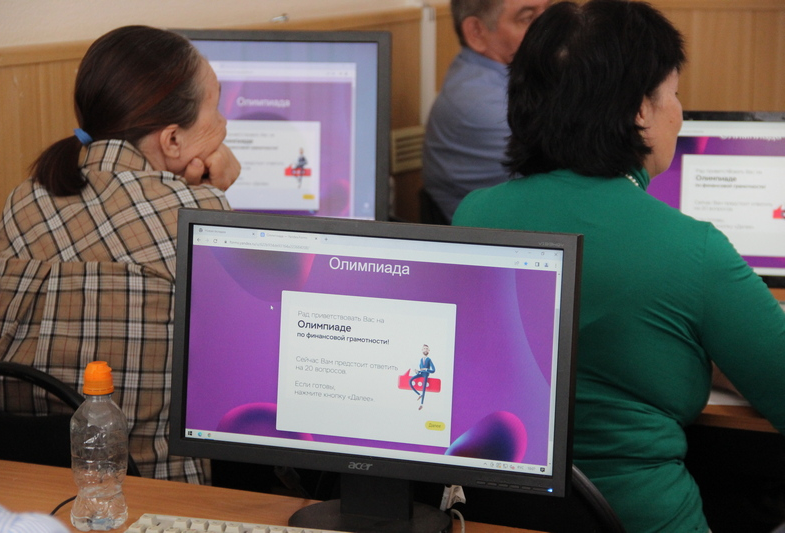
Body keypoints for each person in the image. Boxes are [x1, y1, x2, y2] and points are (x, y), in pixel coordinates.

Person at [452, 1, 785, 531]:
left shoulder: (474, 216)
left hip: (496, 520)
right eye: (673, 94)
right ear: (639, 110)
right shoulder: (691, 248)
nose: (678, 112)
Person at [0, 26, 239, 484]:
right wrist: (215, 198)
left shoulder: (23, 199)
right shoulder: (197, 215)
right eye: (217, 106)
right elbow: (236, 365)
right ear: (172, 140)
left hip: (24, 487)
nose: (224, 123)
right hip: (159, 495)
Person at [421, 0, 550, 223]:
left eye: (549, 11)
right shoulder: (481, 105)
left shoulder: (517, 77)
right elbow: (569, 185)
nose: (549, 27)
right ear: (477, 32)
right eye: (527, 18)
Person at [409, 344, 436, 409]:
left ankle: (421, 404)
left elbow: (433, 370)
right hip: (421, 373)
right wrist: (417, 371)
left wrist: (426, 369)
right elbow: (420, 368)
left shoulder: (429, 359)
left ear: (429, 350)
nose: (425, 350)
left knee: (424, 388)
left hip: (426, 374)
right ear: (422, 350)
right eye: (424, 348)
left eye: (427, 349)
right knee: (410, 380)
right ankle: (419, 394)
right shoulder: (421, 359)